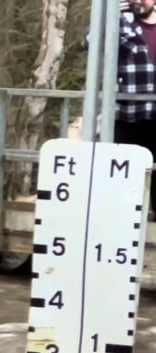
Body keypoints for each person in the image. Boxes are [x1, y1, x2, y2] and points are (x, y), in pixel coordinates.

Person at [114, 0, 156, 213]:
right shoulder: (120, 22)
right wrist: (112, 19)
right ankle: (123, 219)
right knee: (125, 175)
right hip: (128, 114)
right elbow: (90, 44)